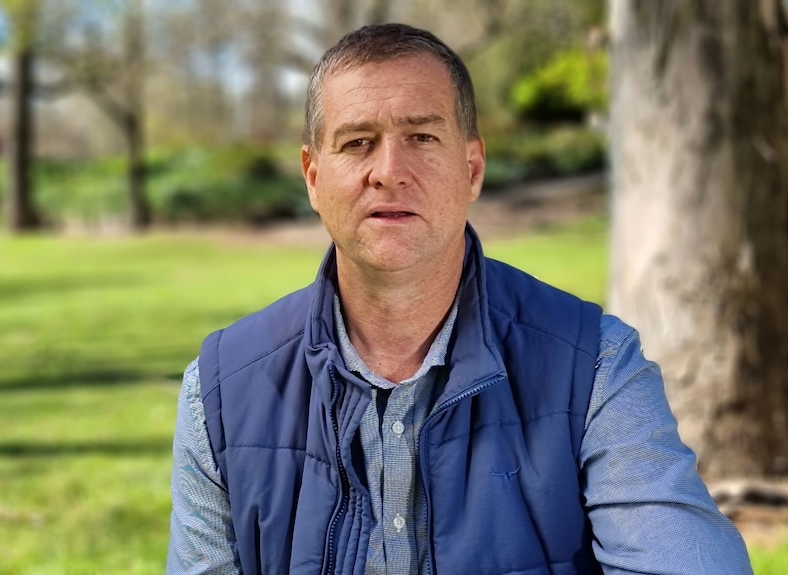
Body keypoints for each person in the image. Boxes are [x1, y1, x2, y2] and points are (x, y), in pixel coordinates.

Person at [167, 23, 752, 575]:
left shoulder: (594, 367)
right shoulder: (219, 392)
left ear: (471, 168)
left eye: (421, 137)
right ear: (313, 178)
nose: (389, 172)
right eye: (358, 143)